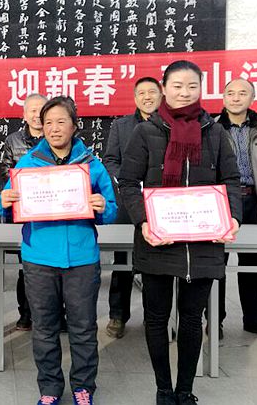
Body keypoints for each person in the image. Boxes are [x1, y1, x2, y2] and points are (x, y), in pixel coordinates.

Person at [118, 60, 242, 405]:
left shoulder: (214, 132)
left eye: (192, 86)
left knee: (191, 319)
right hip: (158, 239)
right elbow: (128, 182)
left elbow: (231, 179)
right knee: (156, 318)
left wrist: (232, 217)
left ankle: (185, 390)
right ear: (164, 88)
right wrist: (143, 221)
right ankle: (163, 389)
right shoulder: (146, 132)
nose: (184, 93)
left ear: (201, 89)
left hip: (203, 241)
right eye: (177, 86)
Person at [0, 96, 117, 405]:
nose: (53, 128)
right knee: (44, 328)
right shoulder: (28, 163)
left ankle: (83, 387)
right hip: (39, 258)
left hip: (82, 258)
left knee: (83, 327)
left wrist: (102, 207)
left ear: (74, 125)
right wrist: (3, 202)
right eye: (48, 122)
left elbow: (111, 209)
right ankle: (50, 388)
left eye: (61, 121)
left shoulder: (91, 164)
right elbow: (6, 203)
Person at [214, 78, 257, 340]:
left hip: (255, 200)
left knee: (252, 263)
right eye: (230, 93)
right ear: (223, 98)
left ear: (252, 98)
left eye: (242, 93)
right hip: (223, 202)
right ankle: (215, 321)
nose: (236, 98)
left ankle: (255, 320)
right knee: (217, 263)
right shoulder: (212, 128)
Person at [102, 77, 162, 339]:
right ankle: (118, 315)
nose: (147, 97)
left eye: (152, 92)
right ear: (135, 98)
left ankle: (155, 317)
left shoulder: (169, 124)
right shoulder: (121, 125)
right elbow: (111, 160)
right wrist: (125, 180)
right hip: (129, 201)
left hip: (161, 203)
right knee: (123, 261)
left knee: (157, 262)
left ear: (161, 95)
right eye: (142, 93)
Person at [0, 93, 47, 331]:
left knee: (54, 270)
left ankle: (55, 315)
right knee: (26, 267)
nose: (37, 115)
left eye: (42, 110)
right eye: (33, 110)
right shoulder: (13, 140)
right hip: (25, 212)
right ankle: (26, 313)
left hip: (53, 212)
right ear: (24, 115)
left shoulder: (58, 137)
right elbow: (6, 171)